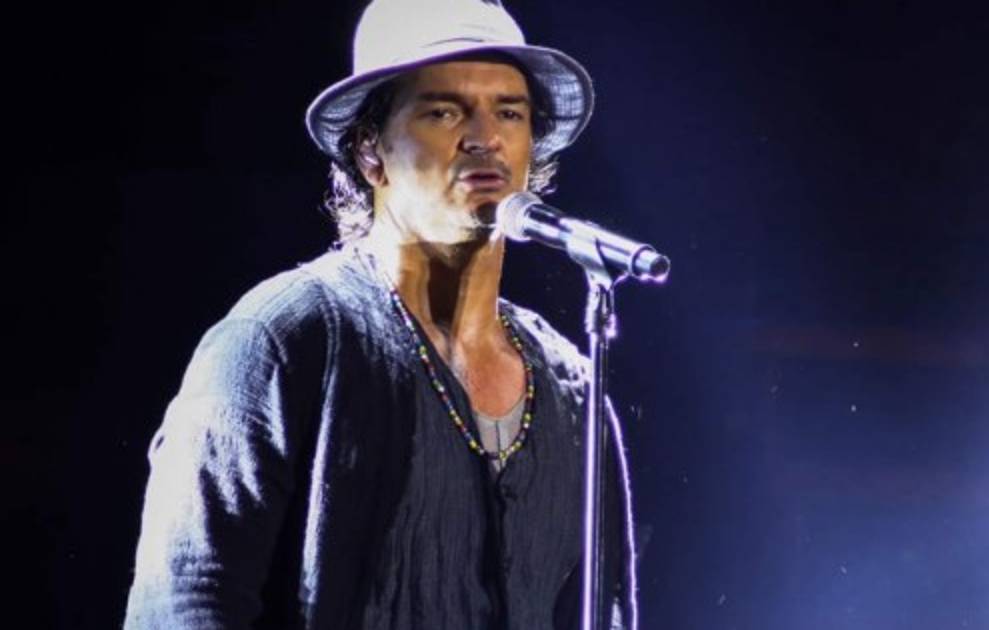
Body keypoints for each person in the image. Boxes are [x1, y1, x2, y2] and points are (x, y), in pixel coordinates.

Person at [123, 1, 639, 628]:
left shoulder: (573, 387)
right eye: (443, 111)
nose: (486, 137)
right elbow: (185, 600)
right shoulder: (283, 337)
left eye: (510, 112)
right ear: (370, 151)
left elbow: (605, 610)